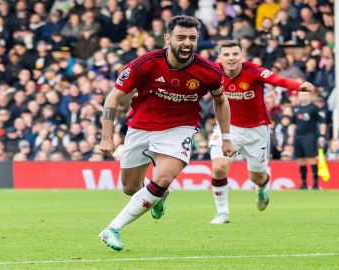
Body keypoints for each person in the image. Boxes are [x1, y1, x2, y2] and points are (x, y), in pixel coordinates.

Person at [98, 15, 236, 251]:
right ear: (167, 38)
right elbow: (114, 96)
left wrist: (226, 138)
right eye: (181, 37)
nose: (187, 43)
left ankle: (113, 228)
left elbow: (221, 102)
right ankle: (158, 197)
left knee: (162, 178)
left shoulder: (209, 71)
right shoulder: (146, 63)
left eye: (192, 38)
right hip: (141, 127)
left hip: (179, 128)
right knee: (131, 188)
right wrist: (107, 136)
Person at [208, 40, 315, 224]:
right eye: (226, 54)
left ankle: (262, 189)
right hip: (228, 128)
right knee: (218, 168)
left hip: (256, 130)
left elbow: (277, 80)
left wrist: (298, 86)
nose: (231, 58)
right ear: (220, 57)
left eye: (235, 54)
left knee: (257, 177)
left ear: (242, 55)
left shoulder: (253, 71)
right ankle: (223, 212)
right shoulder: (213, 71)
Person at [292, 91, 327, 190]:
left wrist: (322, 135)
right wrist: (291, 136)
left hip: (309, 136)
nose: (303, 96)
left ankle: (315, 183)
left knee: (312, 159)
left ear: (310, 96)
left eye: (305, 94)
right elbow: (293, 123)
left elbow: (322, 122)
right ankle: (304, 183)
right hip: (298, 137)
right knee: (300, 160)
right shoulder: (296, 108)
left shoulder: (314, 107)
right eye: (302, 95)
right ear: (299, 96)